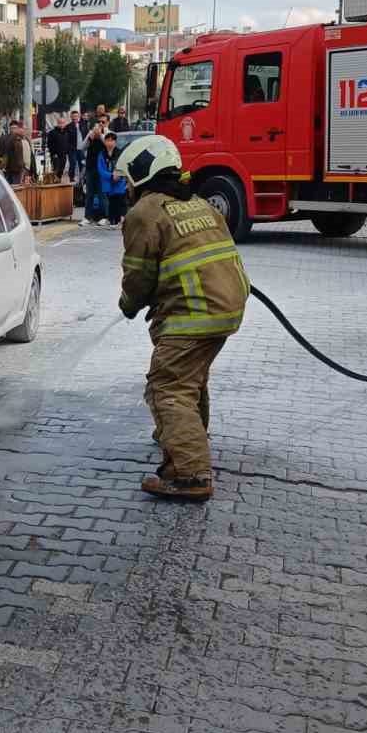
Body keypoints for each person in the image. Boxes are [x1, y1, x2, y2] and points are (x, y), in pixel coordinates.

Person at [115, 135, 250, 502]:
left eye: (129, 179)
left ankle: (191, 473)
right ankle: (182, 447)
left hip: (193, 313)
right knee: (189, 382)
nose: (127, 187)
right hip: (226, 306)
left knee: (168, 387)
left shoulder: (146, 212)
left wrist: (128, 304)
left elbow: (138, 274)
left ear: (143, 173)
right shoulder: (201, 205)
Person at [96, 130, 128, 227]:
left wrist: (118, 175)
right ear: (105, 142)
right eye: (107, 140)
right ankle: (111, 220)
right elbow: (100, 169)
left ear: (115, 142)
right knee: (111, 201)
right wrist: (111, 176)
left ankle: (118, 219)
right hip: (108, 182)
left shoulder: (120, 153)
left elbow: (123, 166)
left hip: (119, 181)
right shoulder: (101, 154)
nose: (109, 143)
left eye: (112, 141)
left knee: (119, 200)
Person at [0, 119, 38, 185]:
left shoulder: (26, 140)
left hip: (26, 169)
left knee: (25, 188)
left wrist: (33, 170)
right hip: (15, 170)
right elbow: (4, 151)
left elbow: (31, 156)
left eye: (25, 128)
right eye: (22, 128)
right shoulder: (12, 139)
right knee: (16, 187)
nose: (24, 130)